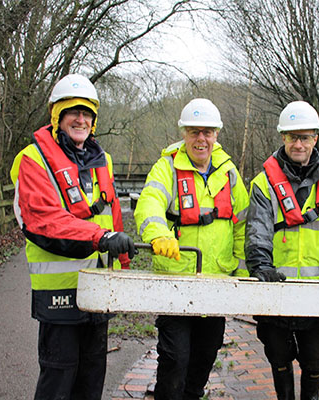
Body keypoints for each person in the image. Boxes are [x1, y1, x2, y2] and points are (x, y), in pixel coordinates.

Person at [10, 73, 136, 400]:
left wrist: (121, 265)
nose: (81, 119)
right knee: (58, 380)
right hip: (59, 293)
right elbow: (44, 221)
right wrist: (100, 236)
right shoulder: (33, 160)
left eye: (87, 114)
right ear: (57, 116)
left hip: (99, 289)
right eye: (72, 112)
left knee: (92, 378)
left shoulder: (101, 160)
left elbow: (112, 215)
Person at [245, 100, 319, 400]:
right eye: (292, 137)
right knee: (278, 356)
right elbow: (257, 232)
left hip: (317, 293)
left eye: (305, 137)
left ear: (315, 138)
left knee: (315, 359)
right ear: (283, 137)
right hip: (276, 292)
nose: (298, 144)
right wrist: (261, 266)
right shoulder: (263, 184)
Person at [133, 98, 249, 399]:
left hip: (217, 281)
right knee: (174, 359)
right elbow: (149, 204)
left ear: (216, 135)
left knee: (205, 357)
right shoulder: (167, 168)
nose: (201, 139)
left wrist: (242, 267)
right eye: (194, 132)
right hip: (176, 279)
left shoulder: (229, 172)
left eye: (207, 132)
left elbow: (244, 222)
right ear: (184, 133)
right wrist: (158, 234)